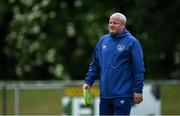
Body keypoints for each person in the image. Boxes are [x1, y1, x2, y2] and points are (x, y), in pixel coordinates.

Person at [83, 12, 145, 115]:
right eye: (110, 22)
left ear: (123, 25)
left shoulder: (132, 42)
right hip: (105, 95)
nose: (111, 25)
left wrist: (138, 90)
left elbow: (139, 68)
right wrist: (88, 82)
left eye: (115, 23)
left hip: (123, 95)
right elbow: (95, 65)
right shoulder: (103, 41)